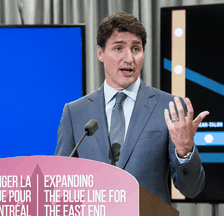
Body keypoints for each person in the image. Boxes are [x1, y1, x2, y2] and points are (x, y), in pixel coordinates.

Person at [55, 12, 209, 205]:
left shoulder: (170, 108)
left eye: (136, 49)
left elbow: (192, 189)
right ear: (100, 53)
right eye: (118, 48)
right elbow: (61, 185)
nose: (129, 58)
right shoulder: (74, 112)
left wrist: (185, 151)